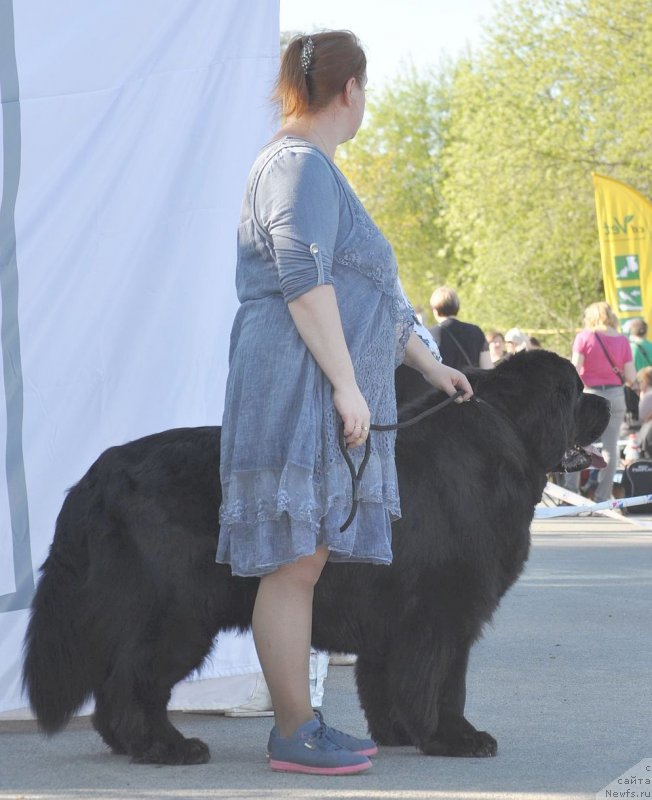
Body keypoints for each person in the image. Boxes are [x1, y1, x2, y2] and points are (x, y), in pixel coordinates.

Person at [217, 30, 473, 776]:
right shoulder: (297, 167)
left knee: (305, 556)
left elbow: (375, 296)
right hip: (298, 381)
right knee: (293, 560)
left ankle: (301, 724)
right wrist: (347, 384)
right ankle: (294, 731)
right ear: (350, 90)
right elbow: (305, 281)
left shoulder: (316, 169)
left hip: (311, 377)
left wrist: (428, 366)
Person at [564, 301, 636, 502]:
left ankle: (570, 495)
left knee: (577, 443)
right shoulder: (623, 340)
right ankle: (603, 498)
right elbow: (630, 376)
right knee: (610, 449)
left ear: (591, 317)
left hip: (589, 397)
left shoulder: (584, 337)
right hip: (616, 396)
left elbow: (574, 370)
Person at [429, 286, 493, 369]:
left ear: (435, 310)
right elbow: (487, 368)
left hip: (443, 381)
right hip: (471, 381)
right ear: (457, 307)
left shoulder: (430, 334)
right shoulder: (476, 331)